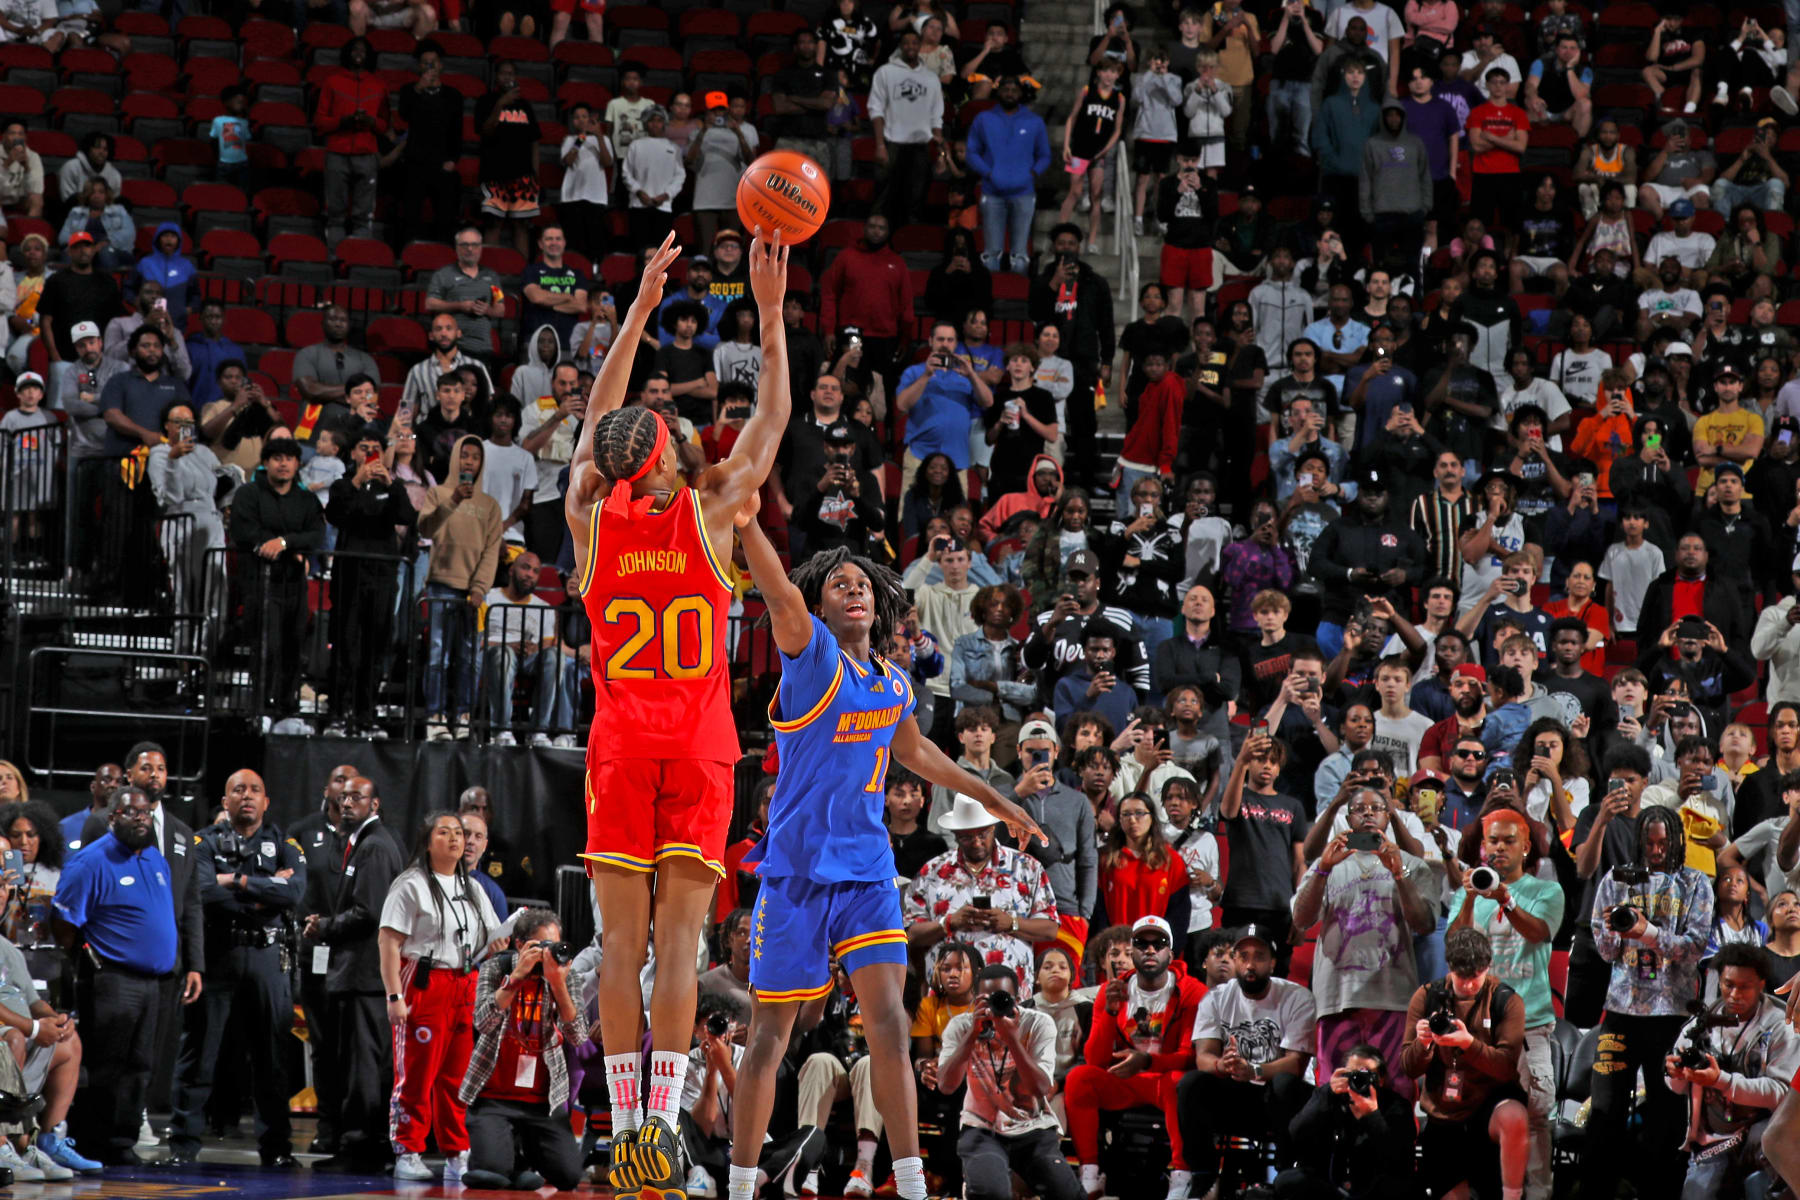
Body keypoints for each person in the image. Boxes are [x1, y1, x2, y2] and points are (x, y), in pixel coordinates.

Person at [726, 491, 1042, 1200]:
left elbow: (920, 753)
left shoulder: (892, 680)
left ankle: (910, 1184)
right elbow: (776, 590)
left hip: (867, 870)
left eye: (863, 584)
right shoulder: (811, 658)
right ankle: (741, 1187)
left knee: (891, 1026)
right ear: (820, 604)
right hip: (800, 873)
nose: (854, 591)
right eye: (839, 585)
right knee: (770, 1033)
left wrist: (993, 796)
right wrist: (746, 522)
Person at [566, 232, 791, 1200]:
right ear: (671, 455)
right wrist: (771, 321)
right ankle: (662, 1118)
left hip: (620, 744)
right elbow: (773, 422)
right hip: (698, 746)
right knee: (680, 942)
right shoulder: (711, 511)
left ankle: (621, 1129)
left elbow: (591, 425)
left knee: (620, 943)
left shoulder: (592, 512)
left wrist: (637, 309)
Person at [165, 769, 306, 1169]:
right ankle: (182, 1146)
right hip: (218, 956)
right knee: (199, 1055)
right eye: (238, 790)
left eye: (255, 790)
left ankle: (277, 1148)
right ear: (225, 801)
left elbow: (295, 891)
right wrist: (265, 890)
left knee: (272, 1059)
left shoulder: (284, 843)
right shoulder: (202, 841)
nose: (247, 796)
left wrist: (236, 880)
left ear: (266, 802)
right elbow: (203, 892)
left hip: (267, 959)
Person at [1582, 805, 1714, 1200]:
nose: (1656, 851)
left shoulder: (1695, 883)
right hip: (1621, 1011)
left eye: (1664, 843)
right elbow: (1605, 951)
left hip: (1670, 1015)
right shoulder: (1617, 879)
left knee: (1665, 1116)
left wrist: (1649, 931)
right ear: (1640, 841)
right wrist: (1613, 929)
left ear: (1676, 840)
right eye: (1650, 843)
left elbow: (1694, 948)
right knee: (1604, 1112)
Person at [50, 786, 186, 1166]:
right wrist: (86, 957)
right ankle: (90, 1139)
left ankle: (122, 1140)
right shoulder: (91, 861)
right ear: (112, 818)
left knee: (139, 1064)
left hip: (153, 982)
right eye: (130, 813)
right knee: (106, 1063)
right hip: (112, 978)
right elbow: (63, 922)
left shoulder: (156, 857)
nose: (140, 819)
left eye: (145, 813)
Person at [379, 811, 500, 1183]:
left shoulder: (473, 887)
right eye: (444, 832)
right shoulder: (410, 884)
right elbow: (388, 941)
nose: (455, 839)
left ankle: (455, 1152)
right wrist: (394, 995)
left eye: (459, 833)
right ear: (427, 841)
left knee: (456, 1077)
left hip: (464, 983)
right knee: (417, 1072)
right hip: (424, 982)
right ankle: (408, 1150)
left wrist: (501, 941)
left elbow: (490, 937)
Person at [302, 776, 405, 1170]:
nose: (347, 803)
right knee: (359, 1062)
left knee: (364, 1063)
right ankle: (360, 1142)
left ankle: (361, 1146)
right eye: (343, 797)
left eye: (357, 798)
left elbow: (371, 914)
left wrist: (325, 926)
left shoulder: (375, 847)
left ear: (374, 804)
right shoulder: (363, 843)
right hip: (358, 975)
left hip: (365, 976)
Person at [1065, 915, 1205, 1200]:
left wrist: (1148, 1062)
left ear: (1171, 952)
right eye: (1142, 943)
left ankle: (1181, 1176)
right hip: (1128, 1079)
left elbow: (1189, 1056)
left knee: (1180, 1082)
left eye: (1159, 943)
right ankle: (1090, 1173)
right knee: (1080, 1077)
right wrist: (1109, 1012)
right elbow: (1095, 1059)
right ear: (1134, 951)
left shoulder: (1192, 991)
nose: (1150, 950)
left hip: (1165, 1079)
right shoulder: (1112, 989)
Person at [1176, 926, 1316, 1198]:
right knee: (1191, 1083)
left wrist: (1253, 1069)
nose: (1250, 964)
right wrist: (1222, 1065)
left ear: (1273, 962)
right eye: (1243, 956)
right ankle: (1203, 1176)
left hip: (1284, 1098)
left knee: (1284, 1084)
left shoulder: (1297, 997)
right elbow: (1203, 1055)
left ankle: (1285, 1175)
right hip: (1238, 1093)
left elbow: (1296, 1065)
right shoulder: (1216, 998)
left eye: (1259, 956)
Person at [456, 908, 586, 1191]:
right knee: (492, 1173)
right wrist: (515, 977)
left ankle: (521, 1159)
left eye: (555, 946)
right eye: (542, 946)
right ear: (520, 945)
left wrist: (559, 985)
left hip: (542, 1104)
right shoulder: (496, 968)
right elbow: (483, 1021)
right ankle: (508, 1161)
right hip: (493, 1098)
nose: (549, 954)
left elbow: (578, 1036)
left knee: (569, 1176)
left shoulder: (566, 976)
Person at [1400, 927, 1529, 1200]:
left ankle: (1513, 1196)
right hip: (1444, 1112)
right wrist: (1423, 1045)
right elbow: (1408, 1068)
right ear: (1449, 967)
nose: (1469, 984)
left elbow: (1507, 1067)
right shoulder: (1425, 997)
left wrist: (1468, 1044)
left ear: (1488, 967)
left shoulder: (1507, 1000)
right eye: (1462, 978)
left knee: (1515, 1116)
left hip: (1490, 1103)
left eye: (1476, 977)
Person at [937, 962, 1080, 1200]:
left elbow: (1041, 1087)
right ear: (976, 998)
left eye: (1002, 999)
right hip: (982, 1127)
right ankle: (976, 1184)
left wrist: (1012, 1039)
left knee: (1068, 1194)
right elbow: (946, 1085)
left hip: (1033, 1127)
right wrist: (972, 1034)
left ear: (1018, 998)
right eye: (987, 999)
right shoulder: (962, 1026)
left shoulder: (1037, 1023)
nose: (995, 1006)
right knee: (992, 1193)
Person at [1665, 943, 1796, 1199]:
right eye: (1728, 985)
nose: (1734, 994)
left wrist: (1721, 1081)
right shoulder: (1700, 1023)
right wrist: (1676, 1075)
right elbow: (1675, 1085)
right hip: (1715, 1140)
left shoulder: (1781, 1025)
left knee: (1775, 1144)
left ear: (1761, 983)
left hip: (1764, 1132)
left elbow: (1782, 1093)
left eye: (1744, 986)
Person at [1272, 1043, 1416, 1200]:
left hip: (1374, 1186)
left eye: (1366, 1075)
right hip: (1331, 1183)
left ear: (1381, 1080)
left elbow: (1399, 1158)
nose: (1360, 1080)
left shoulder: (1397, 1105)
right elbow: (1296, 1133)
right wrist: (1327, 1094)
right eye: (1353, 1074)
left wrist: (1372, 1115)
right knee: (1287, 1181)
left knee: (1401, 1187)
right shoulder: (1329, 1096)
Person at [968, 76, 1051, 274]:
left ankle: (1018, 299)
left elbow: (1045, 155)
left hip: (1023, 193)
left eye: (1014, 90)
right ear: (998, 92)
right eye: (1006, 89)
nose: (1010, 93)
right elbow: (972, 152)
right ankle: (989, 299)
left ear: (1021, 94)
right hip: (992, 192)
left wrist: (1032, 173)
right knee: (991, 252)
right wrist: (988, 173)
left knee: (1020, 254)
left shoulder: (1034, 122)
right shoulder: (983, 119)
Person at [313, 36, 388, 244]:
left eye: (363, 50)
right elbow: (320, 121)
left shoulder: (378, 85)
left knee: (364, 216)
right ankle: (335, 257)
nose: (358, 53)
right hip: (337, 152)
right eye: (354, 49)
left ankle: (359, 258)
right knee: (335, 214)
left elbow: (384, 125)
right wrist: (343, 121)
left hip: (366, 154)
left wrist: (370, 122)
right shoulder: (332, 82)